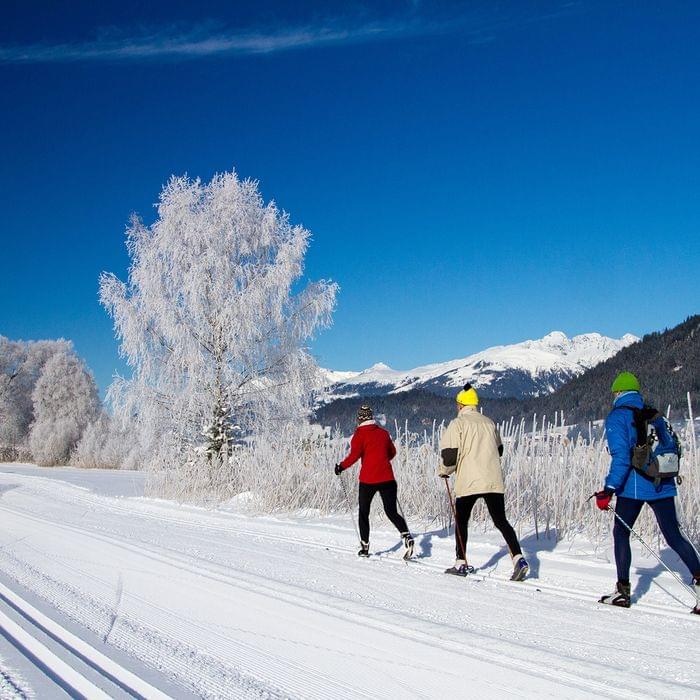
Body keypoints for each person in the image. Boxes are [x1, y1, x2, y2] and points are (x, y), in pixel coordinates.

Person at [596, 371, 700, 609]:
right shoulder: (655, 414)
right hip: (663, 483)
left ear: (618, 392)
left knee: (621, 533)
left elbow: (621, 457)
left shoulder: (618, 417)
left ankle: (622, 591)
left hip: (633, 486)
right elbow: (672, 446)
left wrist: (609, 489)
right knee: (674, 535)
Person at [439, 384, 529, 580]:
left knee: (461, 520)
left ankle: (461, 562)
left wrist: (444, 472)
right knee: (501, 521)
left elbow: (449, 456)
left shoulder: (458, 424)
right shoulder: (489, 423)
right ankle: (519, 558)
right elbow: (499, 451)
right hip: (492, 479)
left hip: (469, 481)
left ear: (460, 404)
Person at [335, 405, 414, 558]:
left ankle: (365, 547)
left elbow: (354, 456)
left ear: (360, 419)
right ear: (371, 418)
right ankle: (407, 536)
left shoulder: (359, 435)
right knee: (391, 511)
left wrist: (341, 467)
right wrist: (382, 462)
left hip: (368, 480)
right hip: (387, 478)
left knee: (364, 512)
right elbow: (392, 452)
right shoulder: (384, 433)